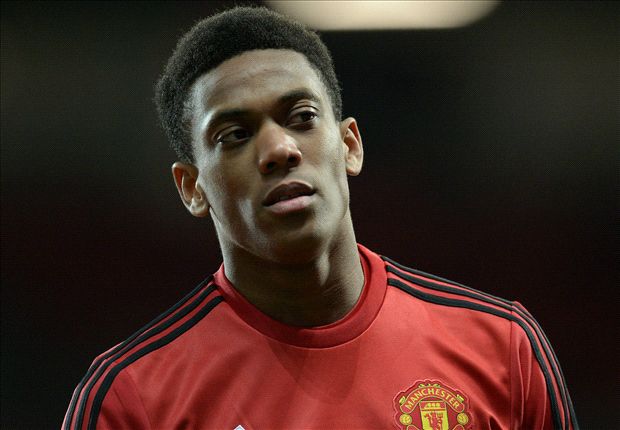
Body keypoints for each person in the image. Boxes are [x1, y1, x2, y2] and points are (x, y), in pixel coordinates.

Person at [63, 6, 578, 430]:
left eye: (302, 118)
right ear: (192, 188)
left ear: (349, 145)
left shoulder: (502, 349)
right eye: (235, 135)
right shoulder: (131, 399)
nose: (279, 149)